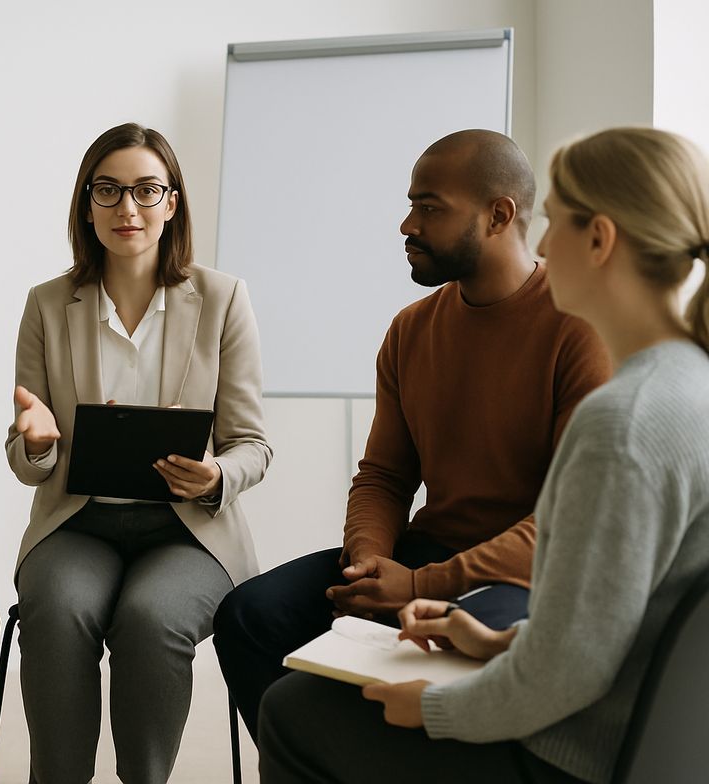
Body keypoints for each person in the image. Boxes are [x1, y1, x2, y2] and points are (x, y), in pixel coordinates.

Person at [259, 126, 709, 784]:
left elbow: (567, 675)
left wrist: (435, 708)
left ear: (601, 239)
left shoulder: (623, 423)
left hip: (564, 755)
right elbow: (603, 622)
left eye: (555, 221)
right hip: (630, 737)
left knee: (292, 711)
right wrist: (497, 642)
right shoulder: (687, 381)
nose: (545, 243)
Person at [213, 129, 613, 739]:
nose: (406, 225)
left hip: (526, 574)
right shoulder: (411, 329)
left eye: (429, 208)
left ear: (498, 215)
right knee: (248, 615)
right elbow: (385, 475)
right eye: (410, 205)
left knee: (423, 656)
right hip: (427, 554)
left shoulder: (577, 326)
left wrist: (422, 585)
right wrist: (369, 561)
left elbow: (568, 523)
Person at [6, 122, 272, 783]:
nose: (128, 209)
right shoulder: (47, 304)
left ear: (173, 202)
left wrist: (214, 475)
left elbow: (253, 445)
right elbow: (24, 456)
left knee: (150, 620)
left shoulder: (222, 299)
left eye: (147, 190)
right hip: (79, 520)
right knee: (58, 610)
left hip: (188, 531)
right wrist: (35, 443)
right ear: (86, 203)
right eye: (109, 190)